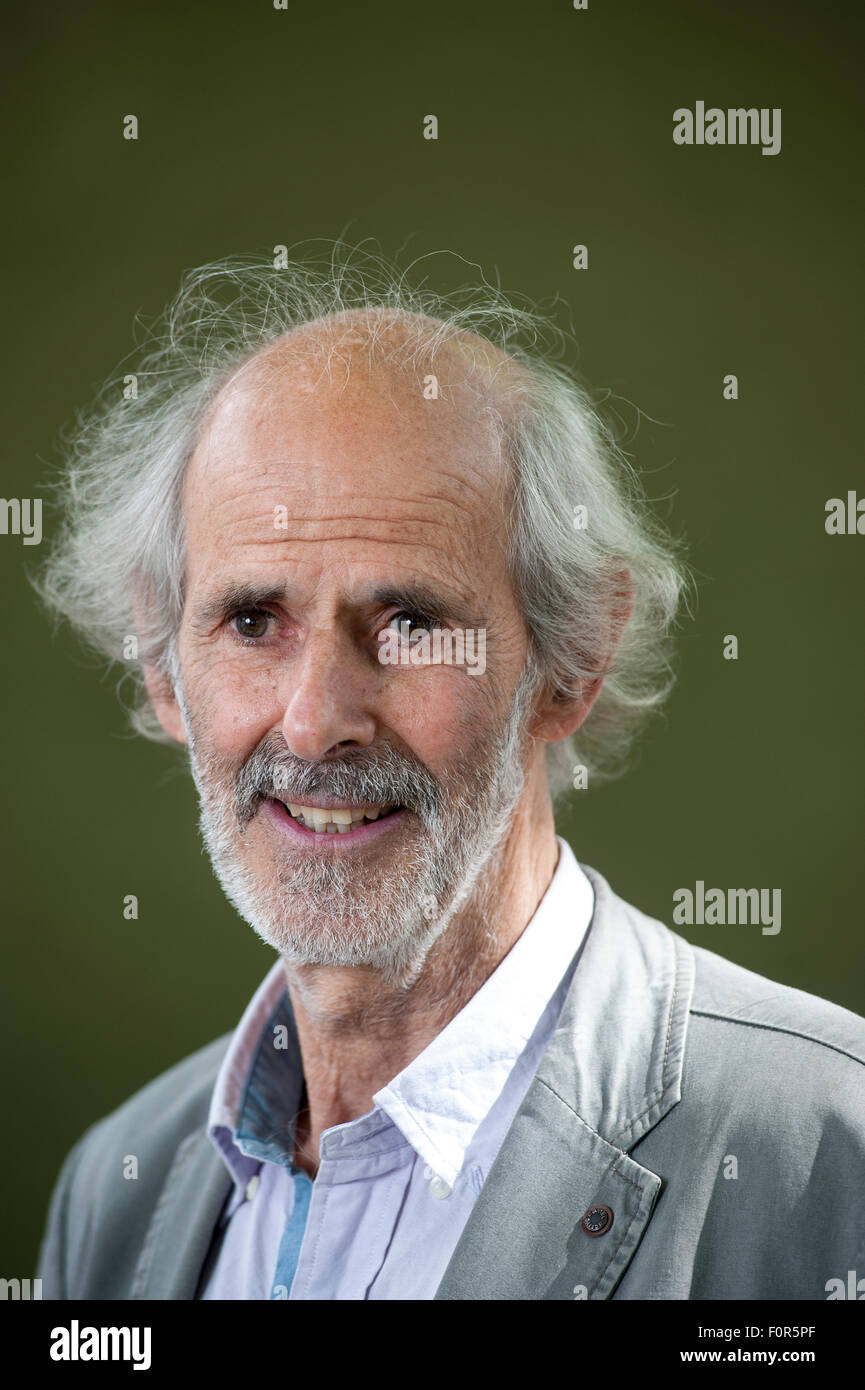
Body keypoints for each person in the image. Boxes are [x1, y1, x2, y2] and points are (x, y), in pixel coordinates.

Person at [35, 247, 865, 1300]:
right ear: (163, 666)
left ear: (572, 662)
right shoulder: (118, 1189)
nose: (317, 718)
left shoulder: (830, 1160)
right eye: (253, 620)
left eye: (410, 621)